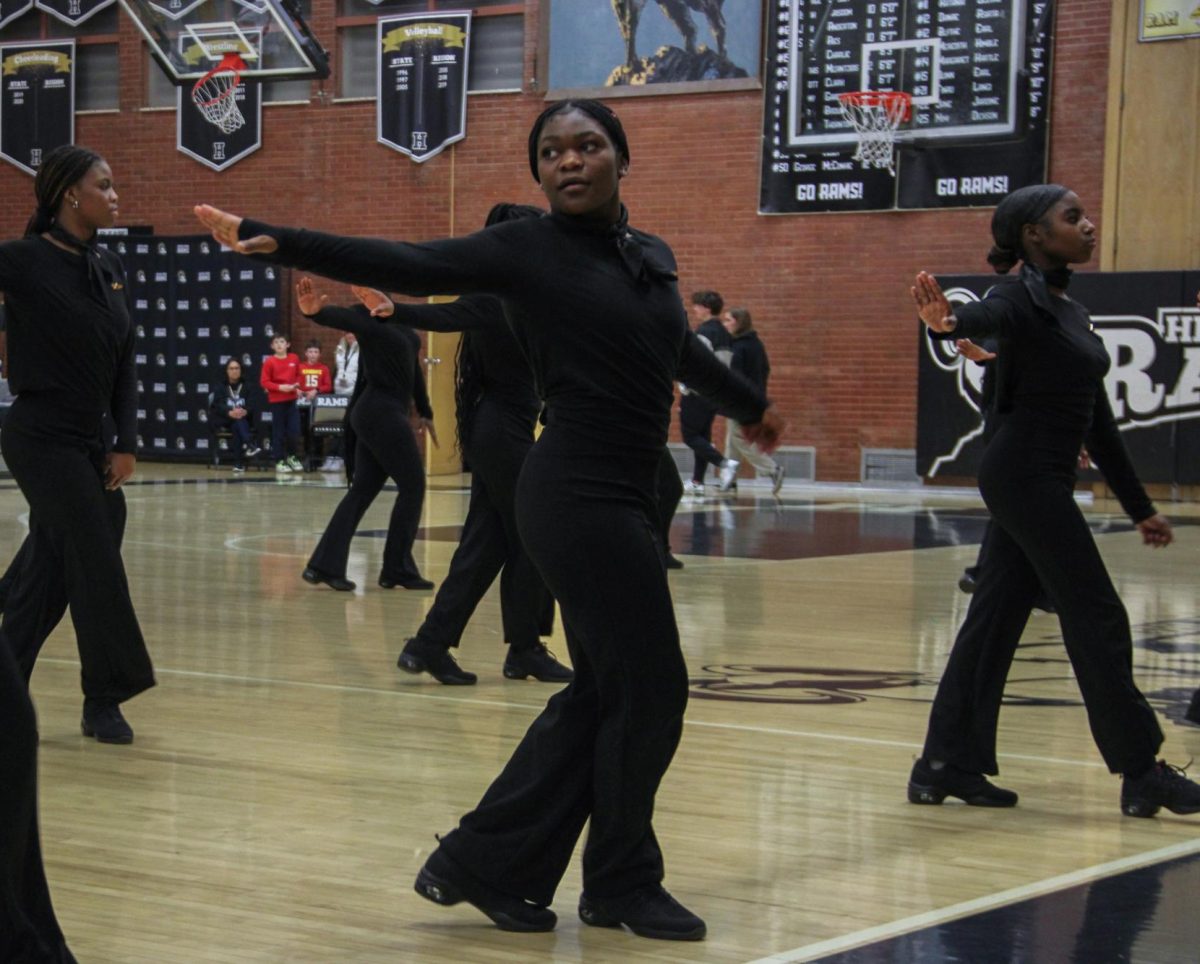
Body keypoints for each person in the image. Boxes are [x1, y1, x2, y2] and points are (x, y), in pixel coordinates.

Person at [194, 96, 782, 941]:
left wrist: (751, 407)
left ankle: (488, 865)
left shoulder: (647, 258)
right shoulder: (524, 251)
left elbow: (679, 353)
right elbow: (405, 259)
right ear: (538, 172)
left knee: (613, 690)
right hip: (575, 491)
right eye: (552, 153)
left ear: (622, 156)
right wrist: (276, 236)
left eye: (587, 146)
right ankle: (612, 880)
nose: (570, 162)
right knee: (650, 688)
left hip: (625, 490)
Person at [907, 183, 1200, 819]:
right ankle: (1141, 770)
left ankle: (943, 763)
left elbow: (1098, 422)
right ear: (1034, 236)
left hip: (1038, 478)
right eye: (1073, 218)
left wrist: (1138, 506)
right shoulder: (1016, 297)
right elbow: (981, 317)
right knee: (1096, 612)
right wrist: (948, 324)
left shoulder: (1071, 311)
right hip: (1023, 478)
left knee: (994, 619)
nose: (1089, 225)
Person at [343, 204, 572, 685]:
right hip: (500, 433)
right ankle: (525, 648)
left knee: (486, 544)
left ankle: (430, 643)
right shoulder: (494, 296)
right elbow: (446, 312)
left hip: (499, 432)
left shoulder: (524, 296)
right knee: (538, 530)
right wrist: (395, 311)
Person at [0, 144, 154, 748]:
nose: (115, 196)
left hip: (91, 441)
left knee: (52, 570)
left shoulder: (109, 266)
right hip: (39, 435)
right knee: (94, 548)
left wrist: (126, 442)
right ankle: (104, 698)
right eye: (106, 185)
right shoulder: (22, 260)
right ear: (70, 194)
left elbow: (124, 363)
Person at [296, 278, 435, 593]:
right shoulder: (366, 320)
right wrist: (314, 313)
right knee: (413, 486)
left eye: (366, 290)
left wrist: (425, 410)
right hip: (378, 412)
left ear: (383, 291)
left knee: (362, 491)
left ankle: (323, 566)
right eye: (358, 293)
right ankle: (397, 568)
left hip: (385, 413)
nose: (361, 296)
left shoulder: (400, 319)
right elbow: (340, 317)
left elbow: (413, 371)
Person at [678, 290, 738, 496]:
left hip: (697, 392)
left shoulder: (704, 332)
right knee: (702, 436)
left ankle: (725, 463)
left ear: (706, 308)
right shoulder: (724, 333)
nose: (694, 309)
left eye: (697, 306)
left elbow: (696, 361)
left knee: (690, 436)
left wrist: (686, 384)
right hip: (715, 392)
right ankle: (698, 481)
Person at [721, 307, 785, 494]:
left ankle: (772, 470)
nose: (725, 324)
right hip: (754, 397)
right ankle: (729, 479)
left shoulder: (739, 347)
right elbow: (765, 369)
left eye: (728, 320)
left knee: (739, 438)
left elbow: (735, 377)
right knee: (732, 439)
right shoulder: (756, 344)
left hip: (741, 400)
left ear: (738, 323)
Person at [208, 357, 263, 472]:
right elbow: (217, 405)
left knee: (237, 424)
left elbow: (252, 404)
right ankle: (250, 445)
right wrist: (229, 412)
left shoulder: (248, 386)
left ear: (241, 370)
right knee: (237, 422)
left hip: (242, 419)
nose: (234, 371)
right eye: (231, 368)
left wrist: (245, 411)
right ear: (227, 371)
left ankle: (238, 464)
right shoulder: (220, 386)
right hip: (224, 419)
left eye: (237, 368)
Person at [259, 332, 304, 473]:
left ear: (288, 344)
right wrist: (280, 387)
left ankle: (292, 456)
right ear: (272, 346)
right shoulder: (269, 362)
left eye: (282, 342)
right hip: (277, 401)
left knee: (294, 431)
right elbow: (264, 381)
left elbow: (299, 375)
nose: (279, 344)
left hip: (291, 401)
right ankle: (279, 460)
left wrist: (297, 386)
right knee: (278, 432)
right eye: (276, 342)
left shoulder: (294, 358)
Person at [321, 332, 360, 471]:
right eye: (347, 333)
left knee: (348, 427)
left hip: (353, 392)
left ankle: (343, 458)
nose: (350, 335)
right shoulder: (340, 348)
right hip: (339, 393)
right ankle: (332, 457)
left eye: (353, 333)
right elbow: (337, 370)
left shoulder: (363, 349)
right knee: (337, 426)